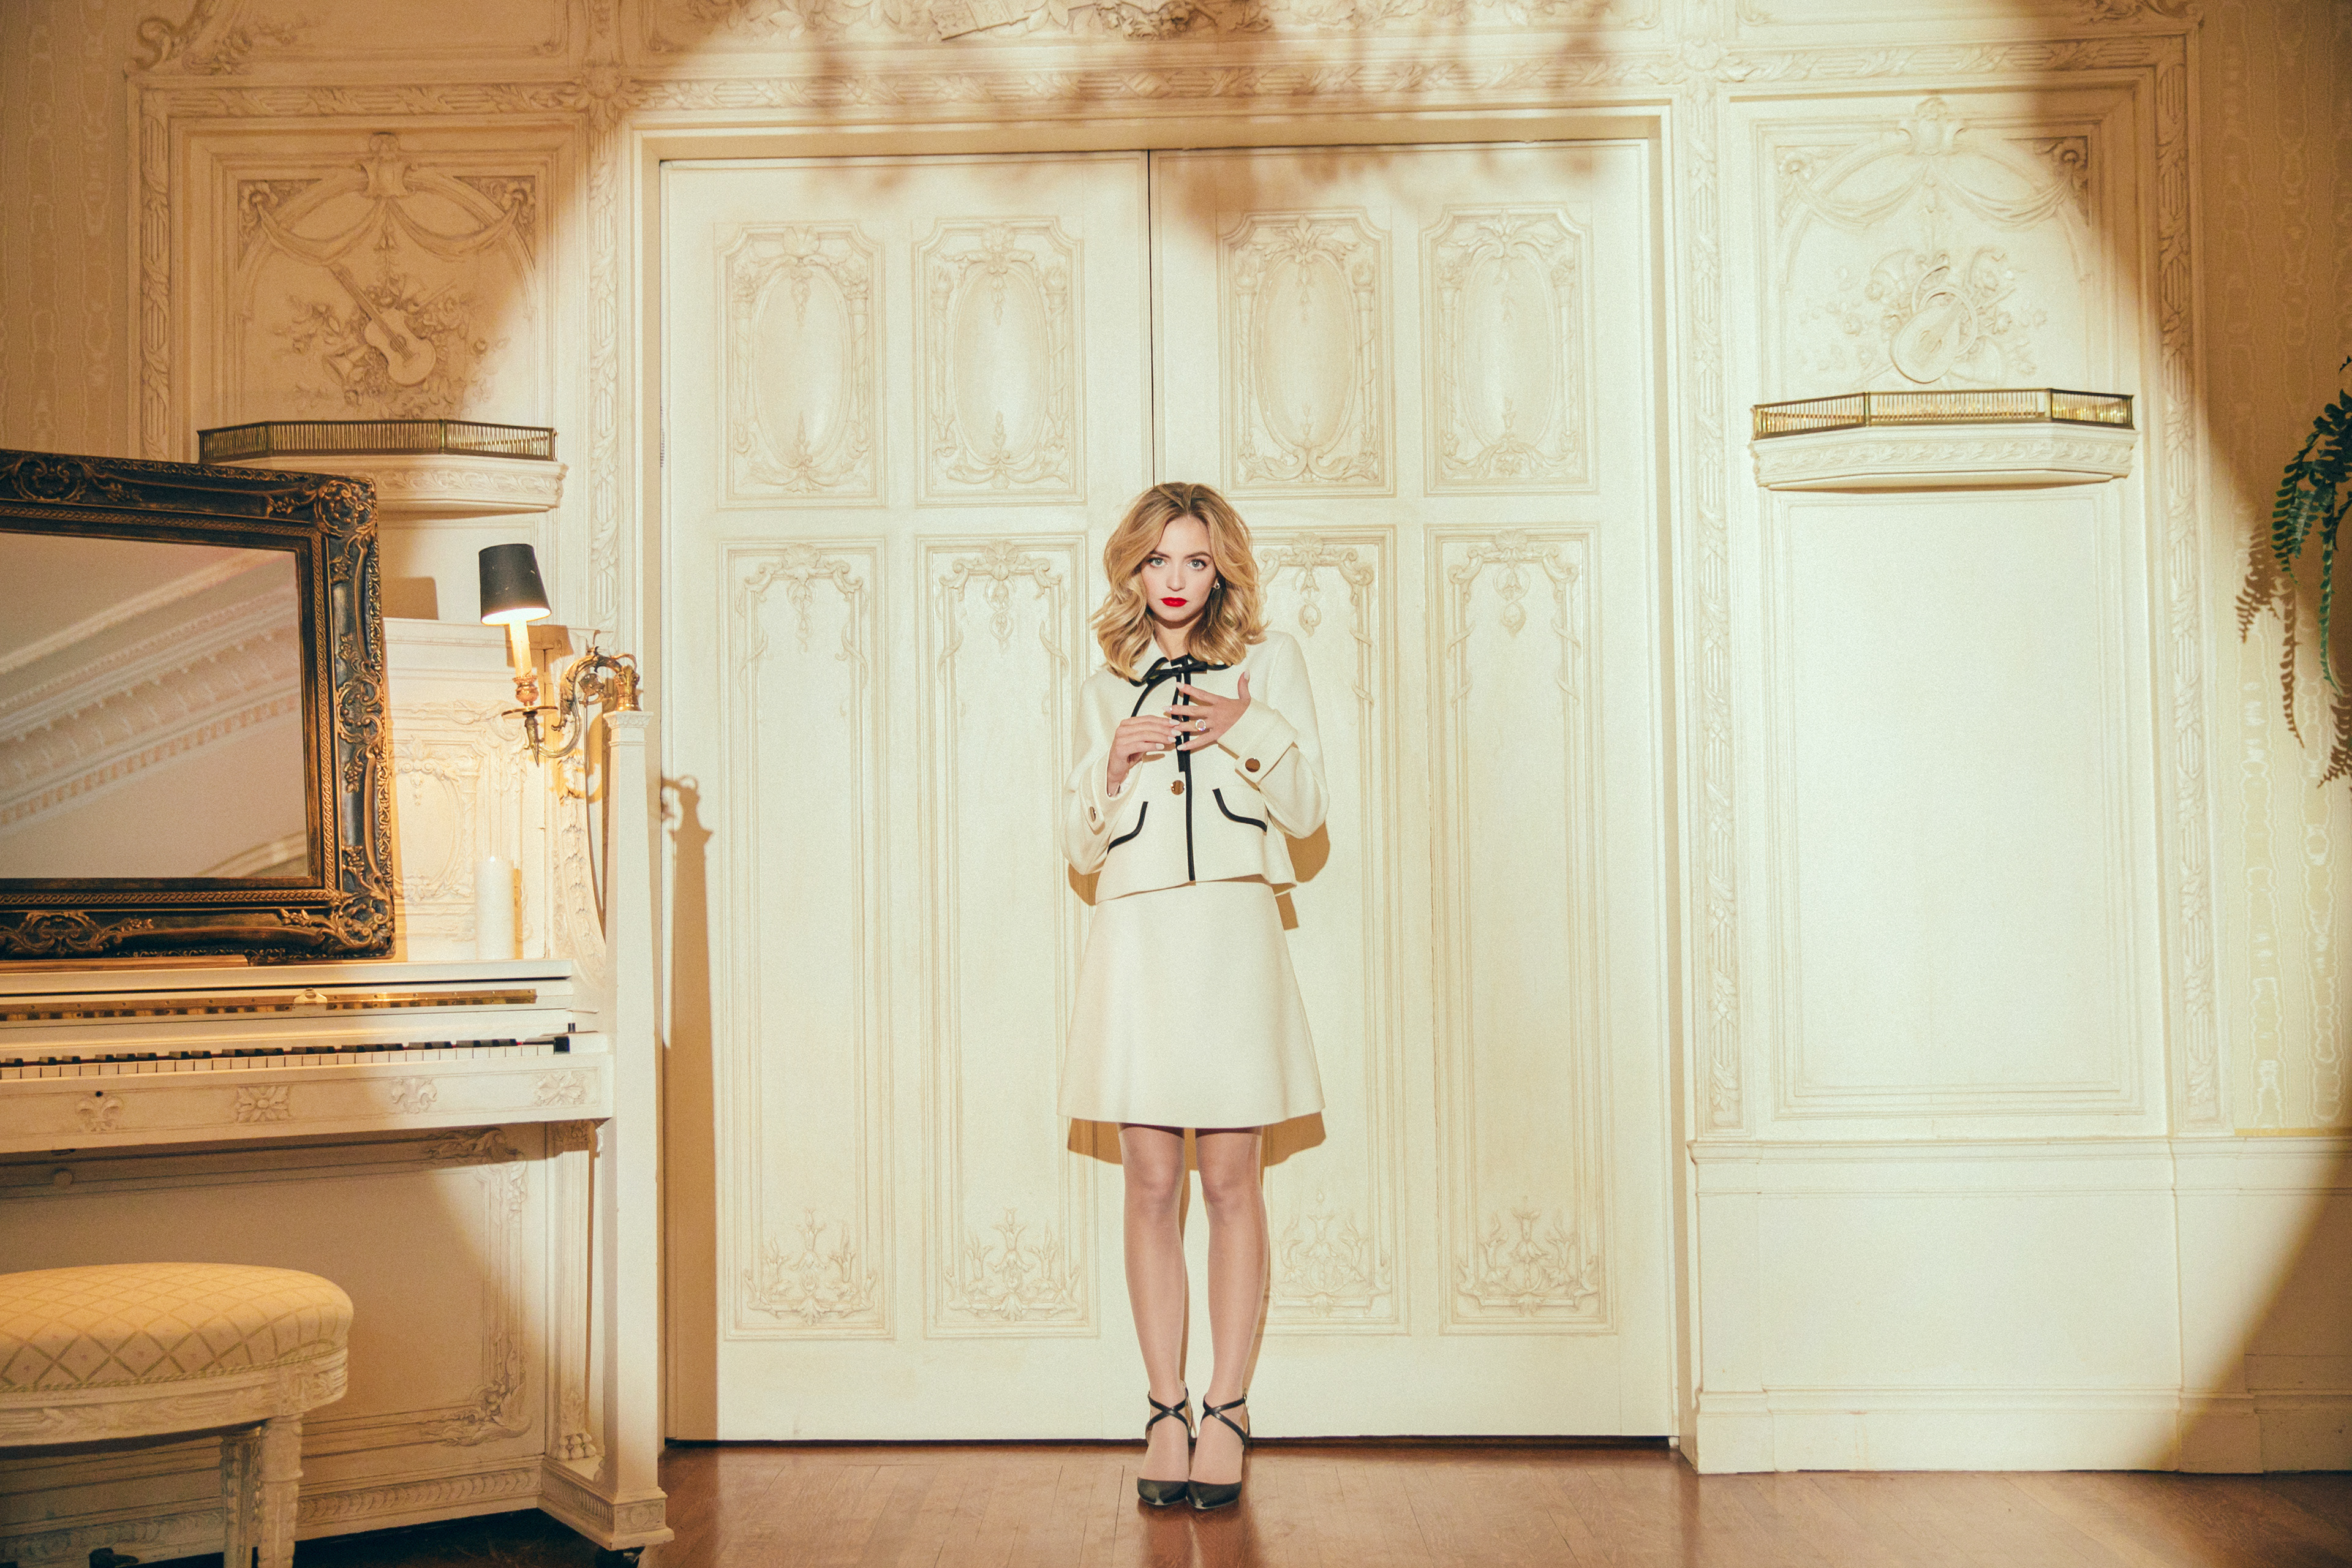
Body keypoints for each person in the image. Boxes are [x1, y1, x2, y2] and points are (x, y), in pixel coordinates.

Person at [1058, 481, 1329, 1511]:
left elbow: (1307, 811)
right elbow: (1079, 847)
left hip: (1230, 936)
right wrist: (1112, 763)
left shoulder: (1270, 665)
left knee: (1230, 1181)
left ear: (1221, 571)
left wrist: (1242, 723)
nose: (1176, 579)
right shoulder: (1102, 686)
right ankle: (1164, 1409)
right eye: (1158, 560)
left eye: (1197, 560)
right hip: (1135, 940)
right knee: (1148, 1179)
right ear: (1134, 570)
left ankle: (1228, 1408)